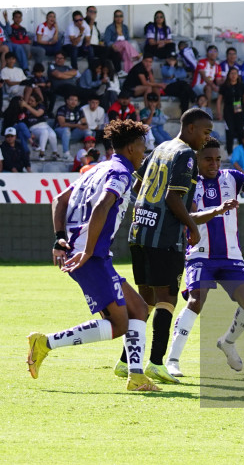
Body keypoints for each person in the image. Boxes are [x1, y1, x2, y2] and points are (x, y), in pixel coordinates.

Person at [27, 119, 160, 392]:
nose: (144, 154)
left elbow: (59, 200)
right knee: (119, 324)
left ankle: (136, 377)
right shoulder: (121, 172)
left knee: (139, 309)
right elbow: (102, 205)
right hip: (89, 257)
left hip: (91, 254)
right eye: (143, 148)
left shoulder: (96, 168)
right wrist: (87, 250)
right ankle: (45, 343)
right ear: (133, 147)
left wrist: (58, 237)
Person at [115, 108, 213, 384]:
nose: (207, 139)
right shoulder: (184, 155)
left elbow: (138, 185)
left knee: (144, 302)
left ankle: (126, 361)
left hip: (139, 231)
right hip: (164, 238)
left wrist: (150, 206)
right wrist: (192, 227)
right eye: (205, 132)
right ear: (191, 128)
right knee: (166, 300)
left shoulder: (160, 147)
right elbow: (172, 198)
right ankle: (157, 363)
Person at [165, 139, 244, 377]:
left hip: (231, 256)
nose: (214, 164)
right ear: (197, 159)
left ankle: (227, 342)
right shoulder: (190, 182)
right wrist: (217, 210)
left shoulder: (233, 177)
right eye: (208, 159)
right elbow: (189, 216)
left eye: (217, 159)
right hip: (200, 254)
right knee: (196, 301)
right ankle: (172, 360)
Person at [216, 66, 244, 154]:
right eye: (231, 73)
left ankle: (243, 154)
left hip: (239, 109)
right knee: (229, 132)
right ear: (228, 75)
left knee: (241, 132)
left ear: (238, 75)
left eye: (235, 73)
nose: (233, 75)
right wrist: (219, 112)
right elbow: (219, 100)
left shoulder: (242, 86)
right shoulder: (224, 86)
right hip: (228, 110)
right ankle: (230, 154)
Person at [55, 94, 92, 160]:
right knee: (66, 130)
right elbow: (62, 124)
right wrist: (77, 125)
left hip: (73, 133)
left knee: (88, 131)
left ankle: (90, 152)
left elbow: (84, 122)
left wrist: (85, 126)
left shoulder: (79, 110)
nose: (73, 102)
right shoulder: (62, 109)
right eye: (71, 100)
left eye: (76, 100)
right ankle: (66, 154)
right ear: (67, 101)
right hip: (60, 131)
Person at [24, 92, 58, 160]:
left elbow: (38, 114)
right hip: (34, 127)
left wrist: (27, 106)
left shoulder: (40, 106)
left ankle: (55, 153)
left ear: (37, 102)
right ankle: (42, 153)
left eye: (32, 101)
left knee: (52, 135)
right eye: (29, 100)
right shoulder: (25, 108)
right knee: (45, 132)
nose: (30, 102)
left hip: (44, 125)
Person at [104, 9, 138, 74]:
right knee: (124, 42)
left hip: (123, 49)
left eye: (120, 16)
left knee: (127, 55)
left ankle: (128, 73)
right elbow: (107, 40)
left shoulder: (125, 28)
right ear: (114, 18)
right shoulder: (110, 28)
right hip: (114, 47)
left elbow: (128, 40)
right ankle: (136, 55)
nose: (119, 18)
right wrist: (112, 45)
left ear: (123, 18)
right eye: (117, 16)